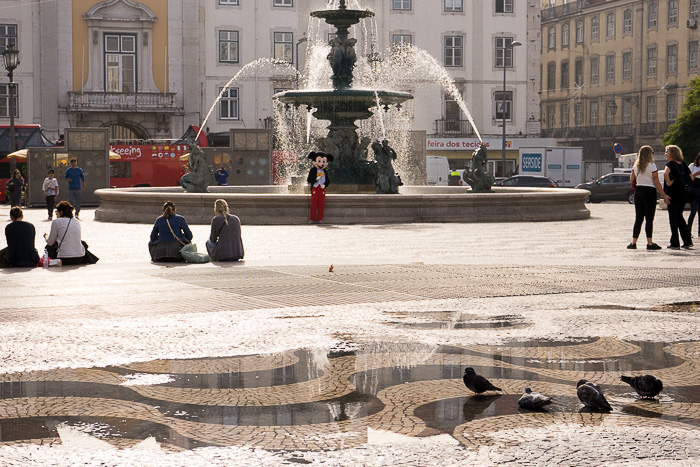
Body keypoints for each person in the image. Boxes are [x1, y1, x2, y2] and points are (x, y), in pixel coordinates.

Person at [628, 145, 669, 250]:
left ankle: (633, 242)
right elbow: (656, 181)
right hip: (649, 191)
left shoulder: (636, 166)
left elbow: (631, 179)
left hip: (639, 191)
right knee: (649, 219)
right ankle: (649, 243)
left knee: (638, 218)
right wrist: (663, 194)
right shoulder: (652, 165)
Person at [663, 144, 693, 249]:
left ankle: (675, 243)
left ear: (671, 154)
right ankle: (687, 240)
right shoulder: (683, 164)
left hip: (672, 194)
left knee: (673, 219)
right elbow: (691, 177)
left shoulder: (670, 164)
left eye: (666, 152)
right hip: (683, 195)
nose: (665, 154)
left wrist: (669, 182)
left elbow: (665, 174)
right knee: (679, 217)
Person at [44, 201, 89, 265]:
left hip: (64, 258)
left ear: (61, 212)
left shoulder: (56, 222)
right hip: (79, 257)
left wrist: (45, 236)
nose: (56, 214)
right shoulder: (76, 221)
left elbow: (50, 242)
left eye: (57, 212)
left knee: (48, 247)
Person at [687, 152, 700, 238]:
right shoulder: (692, 166)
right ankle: (688, 231)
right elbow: (688, 177)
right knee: (693, 211)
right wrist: (696, 174)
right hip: (694, 190)